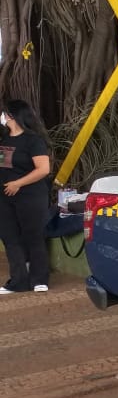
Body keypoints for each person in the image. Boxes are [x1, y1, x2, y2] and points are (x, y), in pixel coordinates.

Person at [0, 99, 52, 294]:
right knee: (10, 238)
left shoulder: (33, 141)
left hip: (30, 196)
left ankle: (39, 279)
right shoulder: (5, 140)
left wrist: (18, 183)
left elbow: (43, 169)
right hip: (5, 198)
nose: (3, 117)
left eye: (5, 113)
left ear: (13, 116)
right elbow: (4, 166)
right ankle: (18, 281)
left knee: (34, 236)